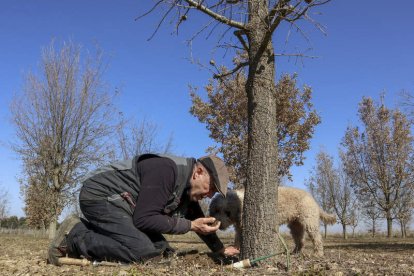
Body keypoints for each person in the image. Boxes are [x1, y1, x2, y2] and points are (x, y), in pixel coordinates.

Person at [48, 153, 240, 265]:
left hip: (122, 205)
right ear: (198, 173)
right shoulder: (167, 171)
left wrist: (220, 249)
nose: (209, 195)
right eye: (211, 188)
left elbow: (195, 216)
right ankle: (73, 235)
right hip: (100, 196)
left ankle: (92, 232)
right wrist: (190, 226)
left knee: (162, 250)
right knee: (143, 253)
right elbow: (144, 219)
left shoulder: (187, 187)